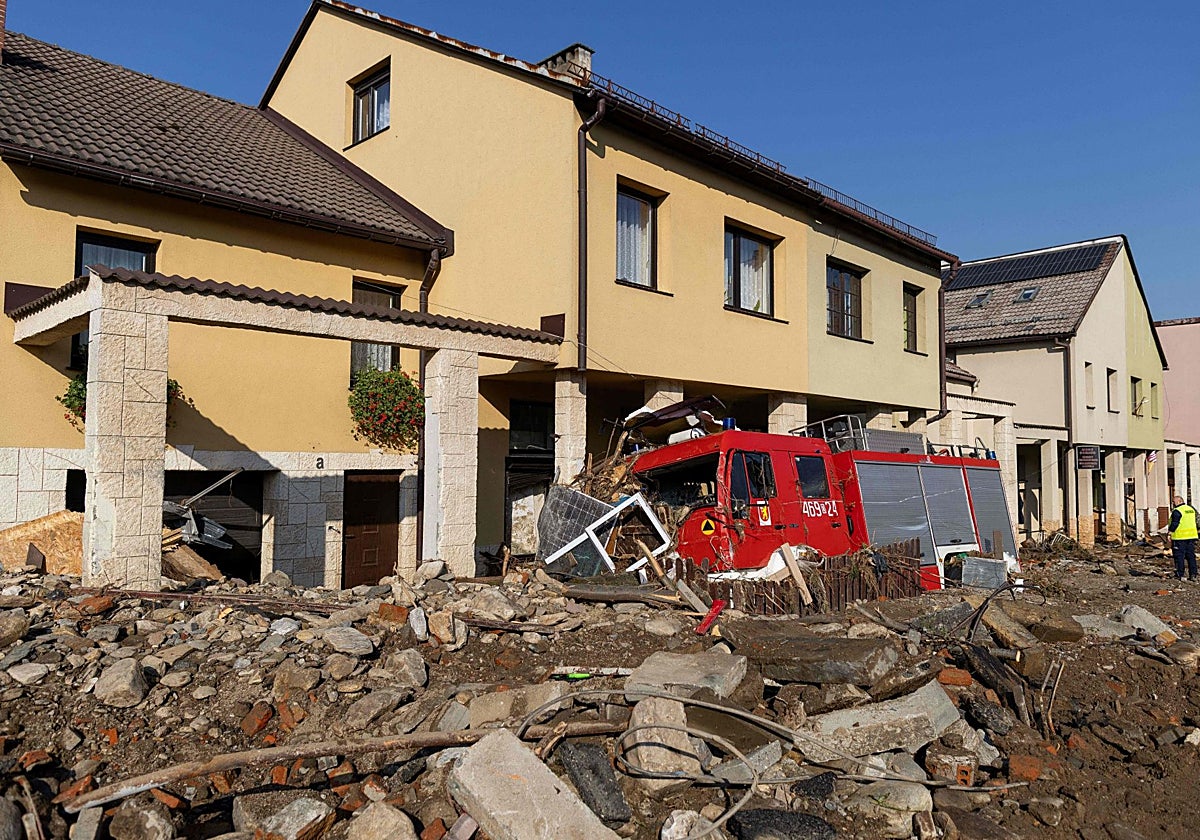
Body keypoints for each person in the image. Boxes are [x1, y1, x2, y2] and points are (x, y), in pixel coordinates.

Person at [1169, 494, 1198, 581]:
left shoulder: (1177, 511)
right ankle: (1193, 574)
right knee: (1191, 556)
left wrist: (1170, 532)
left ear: (1179, 501)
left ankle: (1180, 574)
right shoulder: (1191, 509)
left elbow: (1175, 523)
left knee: (1179, 556)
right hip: (1191, 536)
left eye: (1173, 502)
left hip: (1179, 537)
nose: (1173, 503)